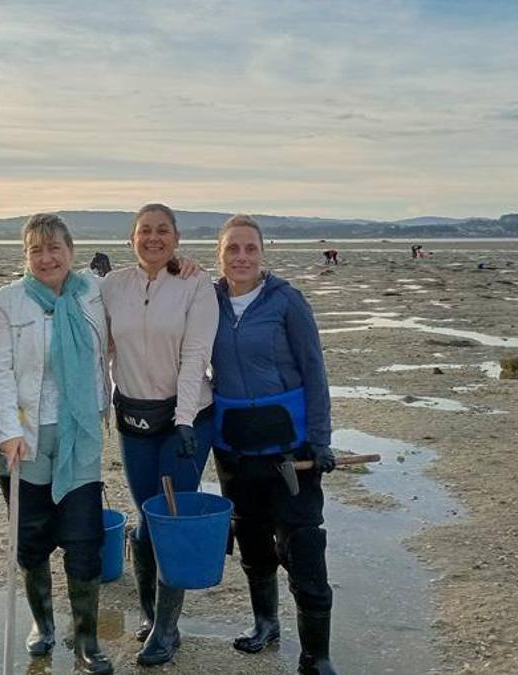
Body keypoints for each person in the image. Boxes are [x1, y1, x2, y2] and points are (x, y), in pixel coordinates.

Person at [210, 214, 338, 675]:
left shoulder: (287, 302)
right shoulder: (208, 301)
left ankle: (316, 656)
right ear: (219, 254)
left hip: (291, 451)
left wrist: (321, 441)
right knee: (252, 542)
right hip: (235, 451)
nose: (241, 257)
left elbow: (314, 374)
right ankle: (266, 623)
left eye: (249, 248)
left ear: (262, 253)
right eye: (232, 249)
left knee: (303, 547)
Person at [0, 213, 114, 674]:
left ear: (71, 251)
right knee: (32, 540)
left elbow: (148, 286)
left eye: (55, 247)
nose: (47, 257)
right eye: (36, 249)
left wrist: (184, 266)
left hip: (80, 434)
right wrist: (9, 432)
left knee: (84, 541)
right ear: (25, 256)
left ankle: (87, 640)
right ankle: (42, 624)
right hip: (27, 438)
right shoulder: (7, 302)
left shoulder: (94, 292)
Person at [100, 203, 218, 666]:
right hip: (134, 419)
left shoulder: (195, 283)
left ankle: (167, 630)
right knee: (144, 518)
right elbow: (100, 346)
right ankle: (149, 614)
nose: (154, 238)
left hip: (185, 421)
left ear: (177, 237)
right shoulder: (113, 286)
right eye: (145, 231)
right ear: (131, 238)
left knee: (169, 518)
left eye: (162, 231)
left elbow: (195, 355)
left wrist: (186, 418)